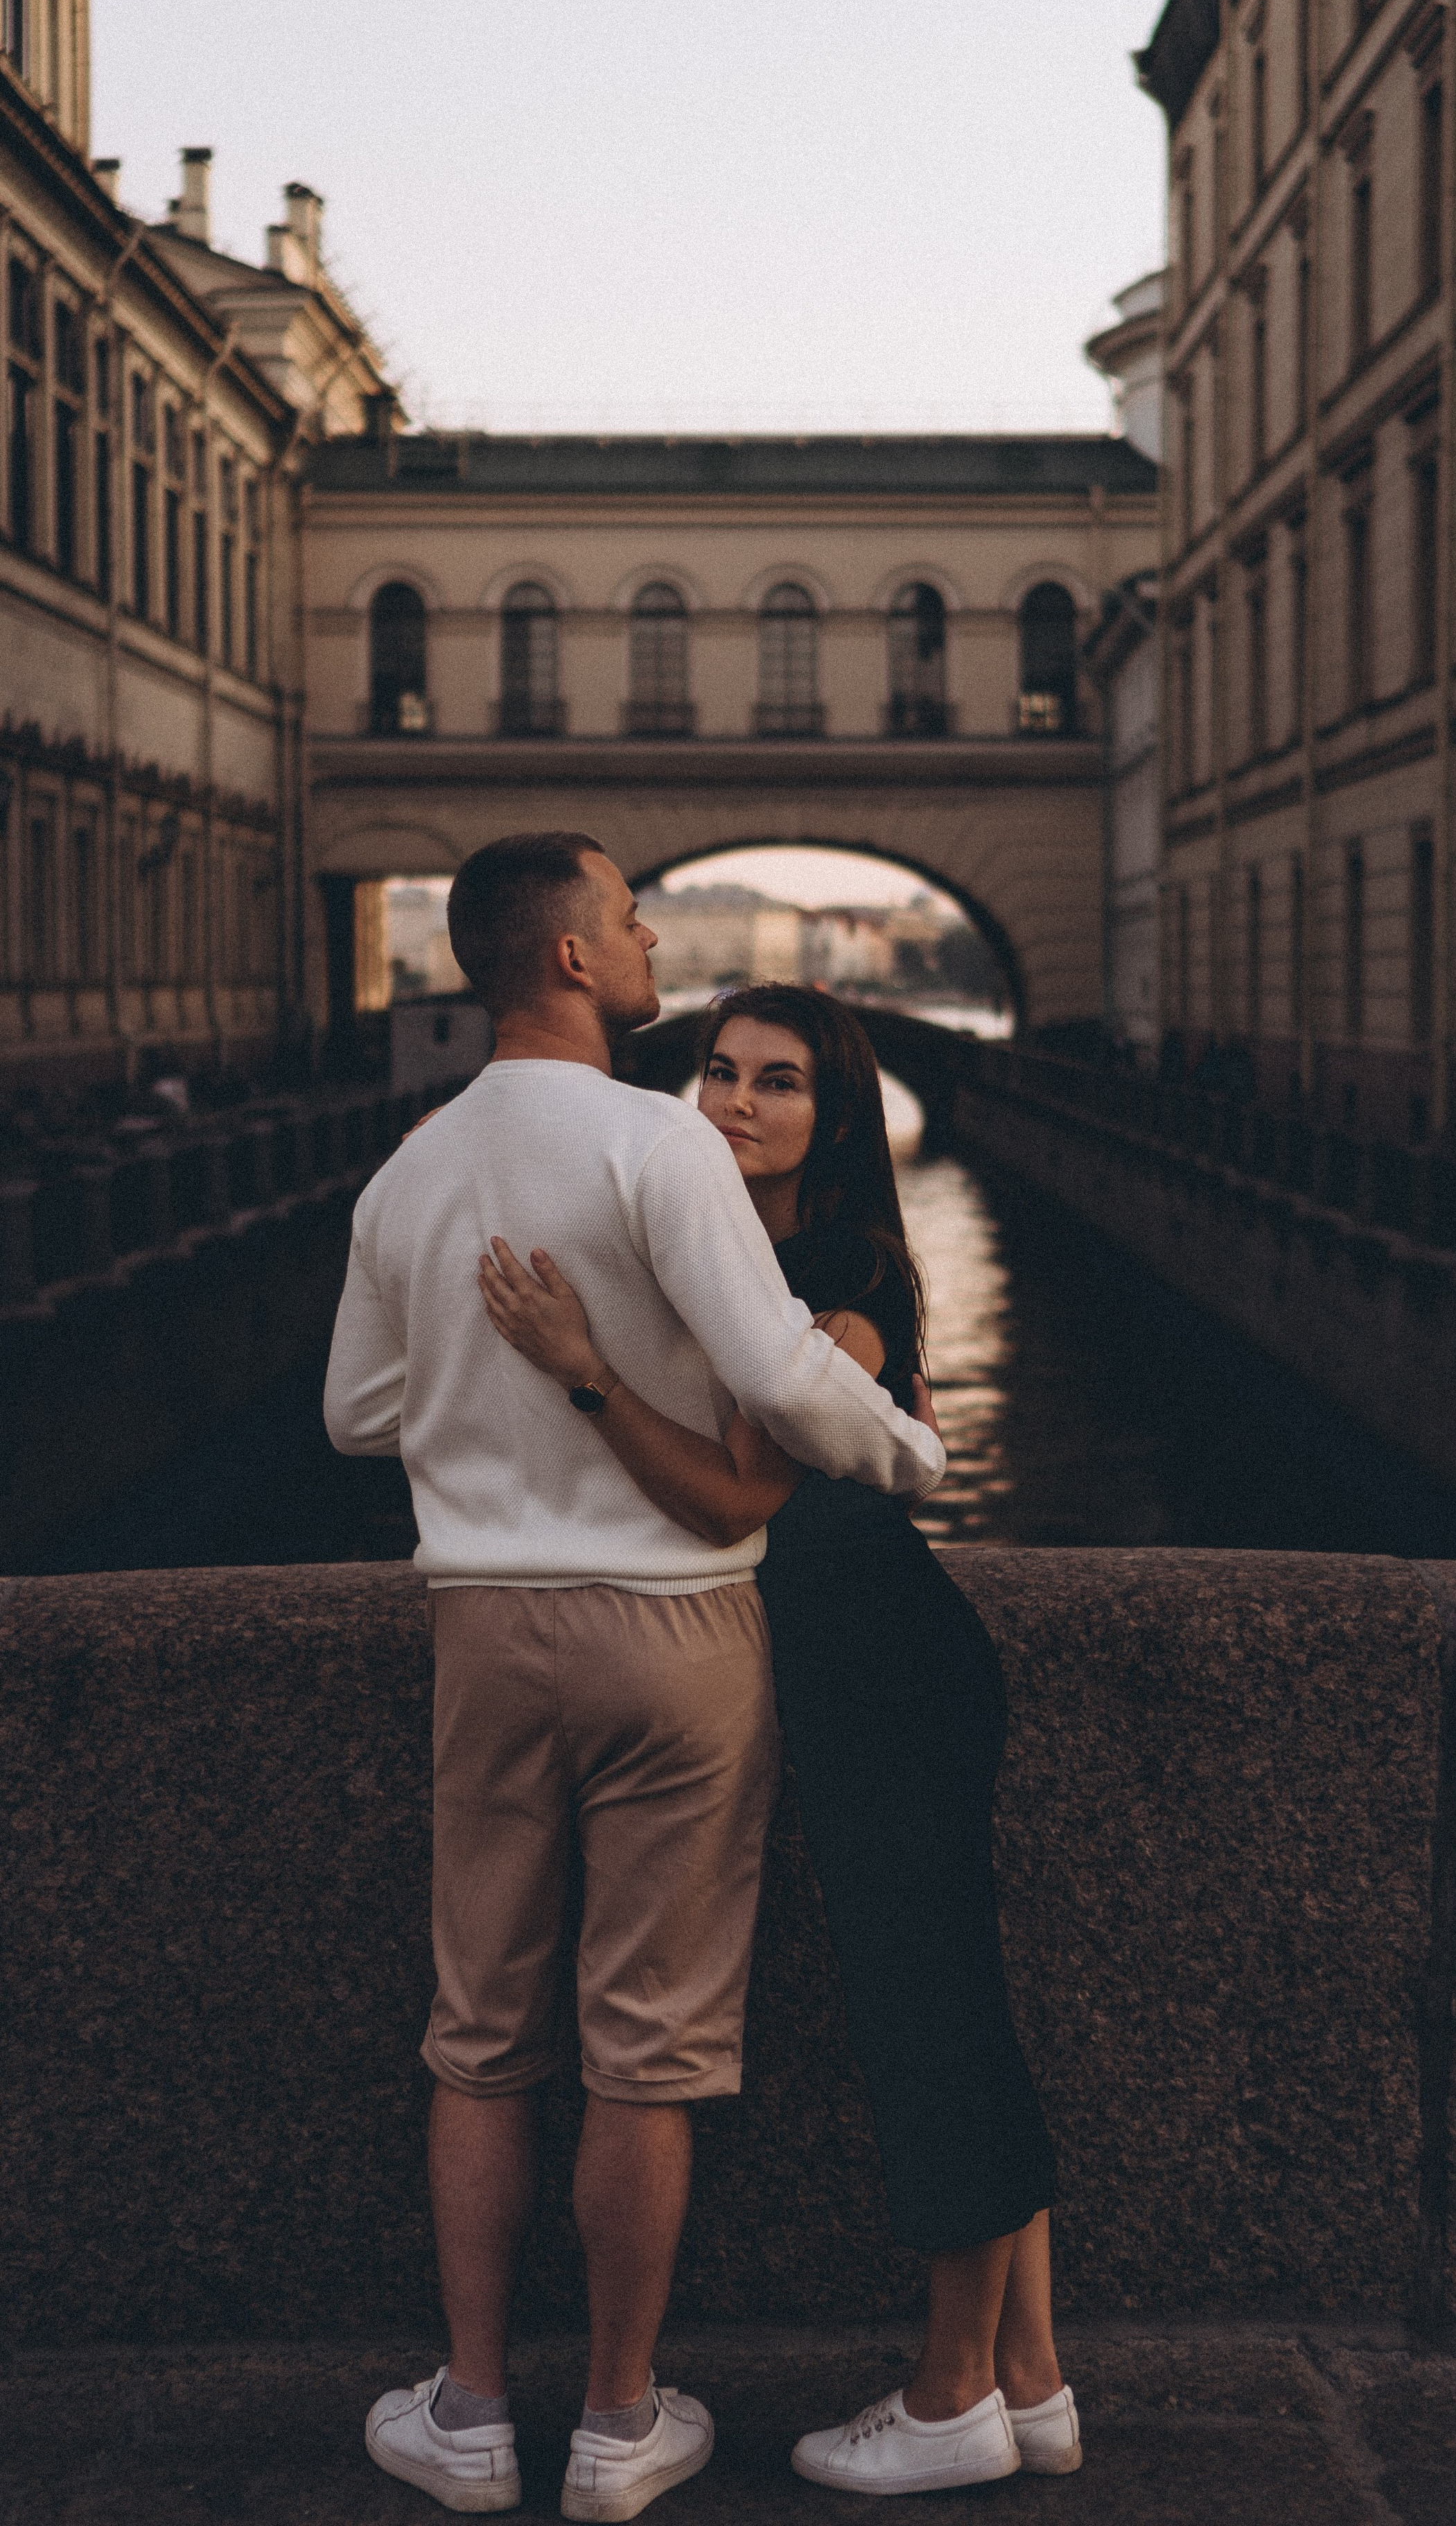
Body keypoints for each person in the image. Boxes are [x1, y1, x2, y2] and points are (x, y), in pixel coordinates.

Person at [324, 841, 945, 2523]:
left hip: (484, 1628)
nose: (651, 934)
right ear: (575, 958)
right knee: (646, 2049)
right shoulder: (659, 1143)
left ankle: (466, 2414)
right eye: (628, 917)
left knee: (478, 2036)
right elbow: (782, 1383)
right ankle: (615, 2425)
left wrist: (489, 1403)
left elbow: (356, 1415)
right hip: (673, 1633)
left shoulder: (410, 1168)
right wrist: (905, 1450)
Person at [477, 984, 1082, 2500]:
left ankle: (948, 2398)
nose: (737, 1101)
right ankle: (1030, 2381)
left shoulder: (833, 1272)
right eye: (720, 1070)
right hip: (865, 1662)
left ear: (838, 1115)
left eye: (781, 1081)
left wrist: (584, 1370)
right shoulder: (740, 1258)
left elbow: (732, 1497)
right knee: (957, 2002)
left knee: (931, 2023)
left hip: (881, 1666)